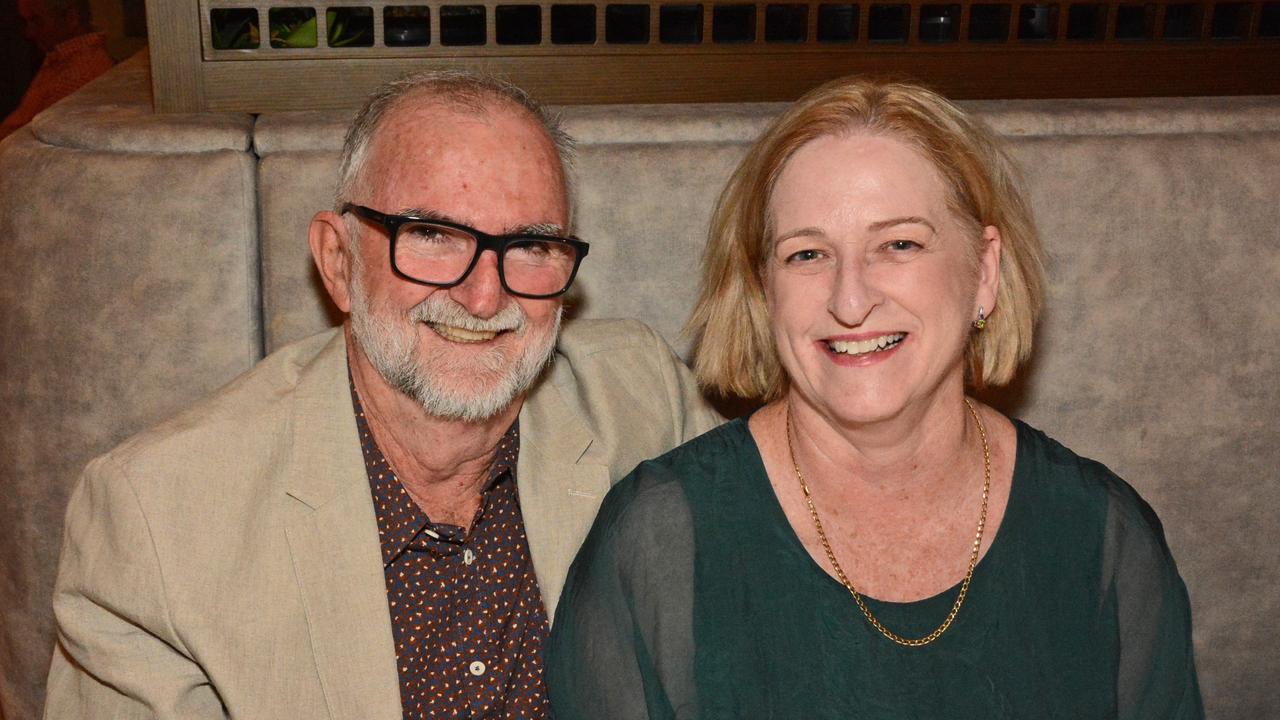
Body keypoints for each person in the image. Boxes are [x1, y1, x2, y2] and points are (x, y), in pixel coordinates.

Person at [43, 71, 720, 718]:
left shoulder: (643, 398)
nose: (484, 296)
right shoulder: (158, 523)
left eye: (531, 246)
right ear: (338, 263)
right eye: (430, 235)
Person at [547, 77, 1203, 718]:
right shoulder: (659, 543)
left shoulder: (1100, 536)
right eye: (807, 255)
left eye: (898, 244)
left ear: (983, 271)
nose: (851, 300)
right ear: (763, 290)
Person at [1, 0, 113, 141]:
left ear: (71, 18)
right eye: (26, 22)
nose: (29, 32)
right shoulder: (62, 59)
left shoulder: (78, 74)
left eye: (37, 21)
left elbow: (33, 144)